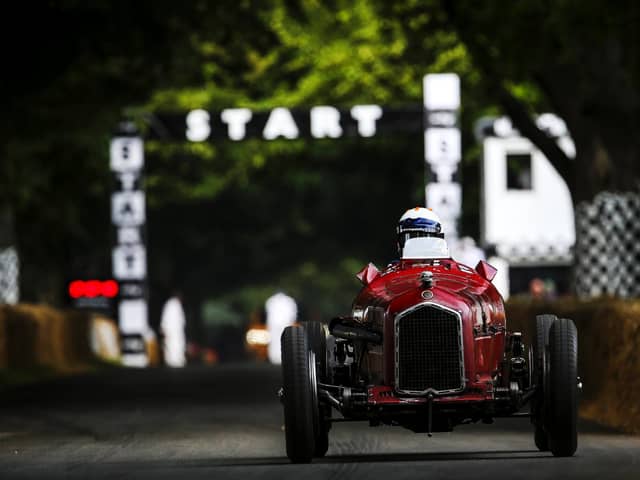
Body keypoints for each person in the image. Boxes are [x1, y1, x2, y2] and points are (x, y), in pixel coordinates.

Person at [265, 291, 297, 365]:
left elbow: (268, 312)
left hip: (274, 324)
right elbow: (293, 313)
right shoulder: (289, 301)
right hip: (283, 323)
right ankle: (278, 357)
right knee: (284, 340)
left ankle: (275, 358)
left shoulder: (271, 300)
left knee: (275, 341)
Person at [160, 290, 187, 368]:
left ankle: (177, 360)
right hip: (171, 330)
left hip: (176, 331)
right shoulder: (171, 304)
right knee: (171, 345)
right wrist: (164, 328)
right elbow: (166, 318)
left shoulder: (174, 304)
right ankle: (172, 361)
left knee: (177, 345)